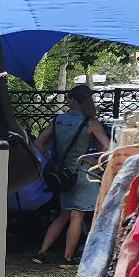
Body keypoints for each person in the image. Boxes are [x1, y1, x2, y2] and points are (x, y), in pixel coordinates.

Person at [33, 84, 113, 265]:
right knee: (77, 216)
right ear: (85, 102)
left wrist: (51, 158)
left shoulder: (58, 120)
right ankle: (67, 257)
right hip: (82, 172)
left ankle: (41, 252)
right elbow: (107, 146)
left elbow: (39, 142)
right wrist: (93, 160)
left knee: (63, 215)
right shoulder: (90, 122)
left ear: (71, 101)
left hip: (63, 174)